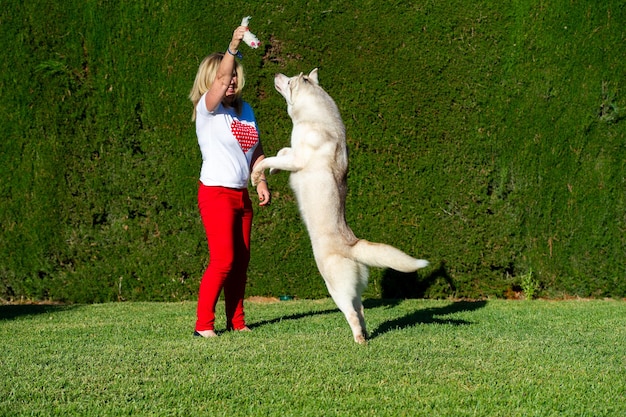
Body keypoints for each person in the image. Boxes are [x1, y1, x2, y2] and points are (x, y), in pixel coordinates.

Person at [188, 25, 271, 338]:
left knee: (240, 263)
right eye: (225, 76)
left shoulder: (244, 110)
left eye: (235, 74)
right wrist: (234, 45)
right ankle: (203, 326)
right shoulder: (207, 110)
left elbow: (256, 149)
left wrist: (260, 181)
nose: (231, 80)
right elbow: (220, 81)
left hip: (240, 196)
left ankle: (236, 322)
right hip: (215, 193)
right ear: (211, 82)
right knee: (223, 259)